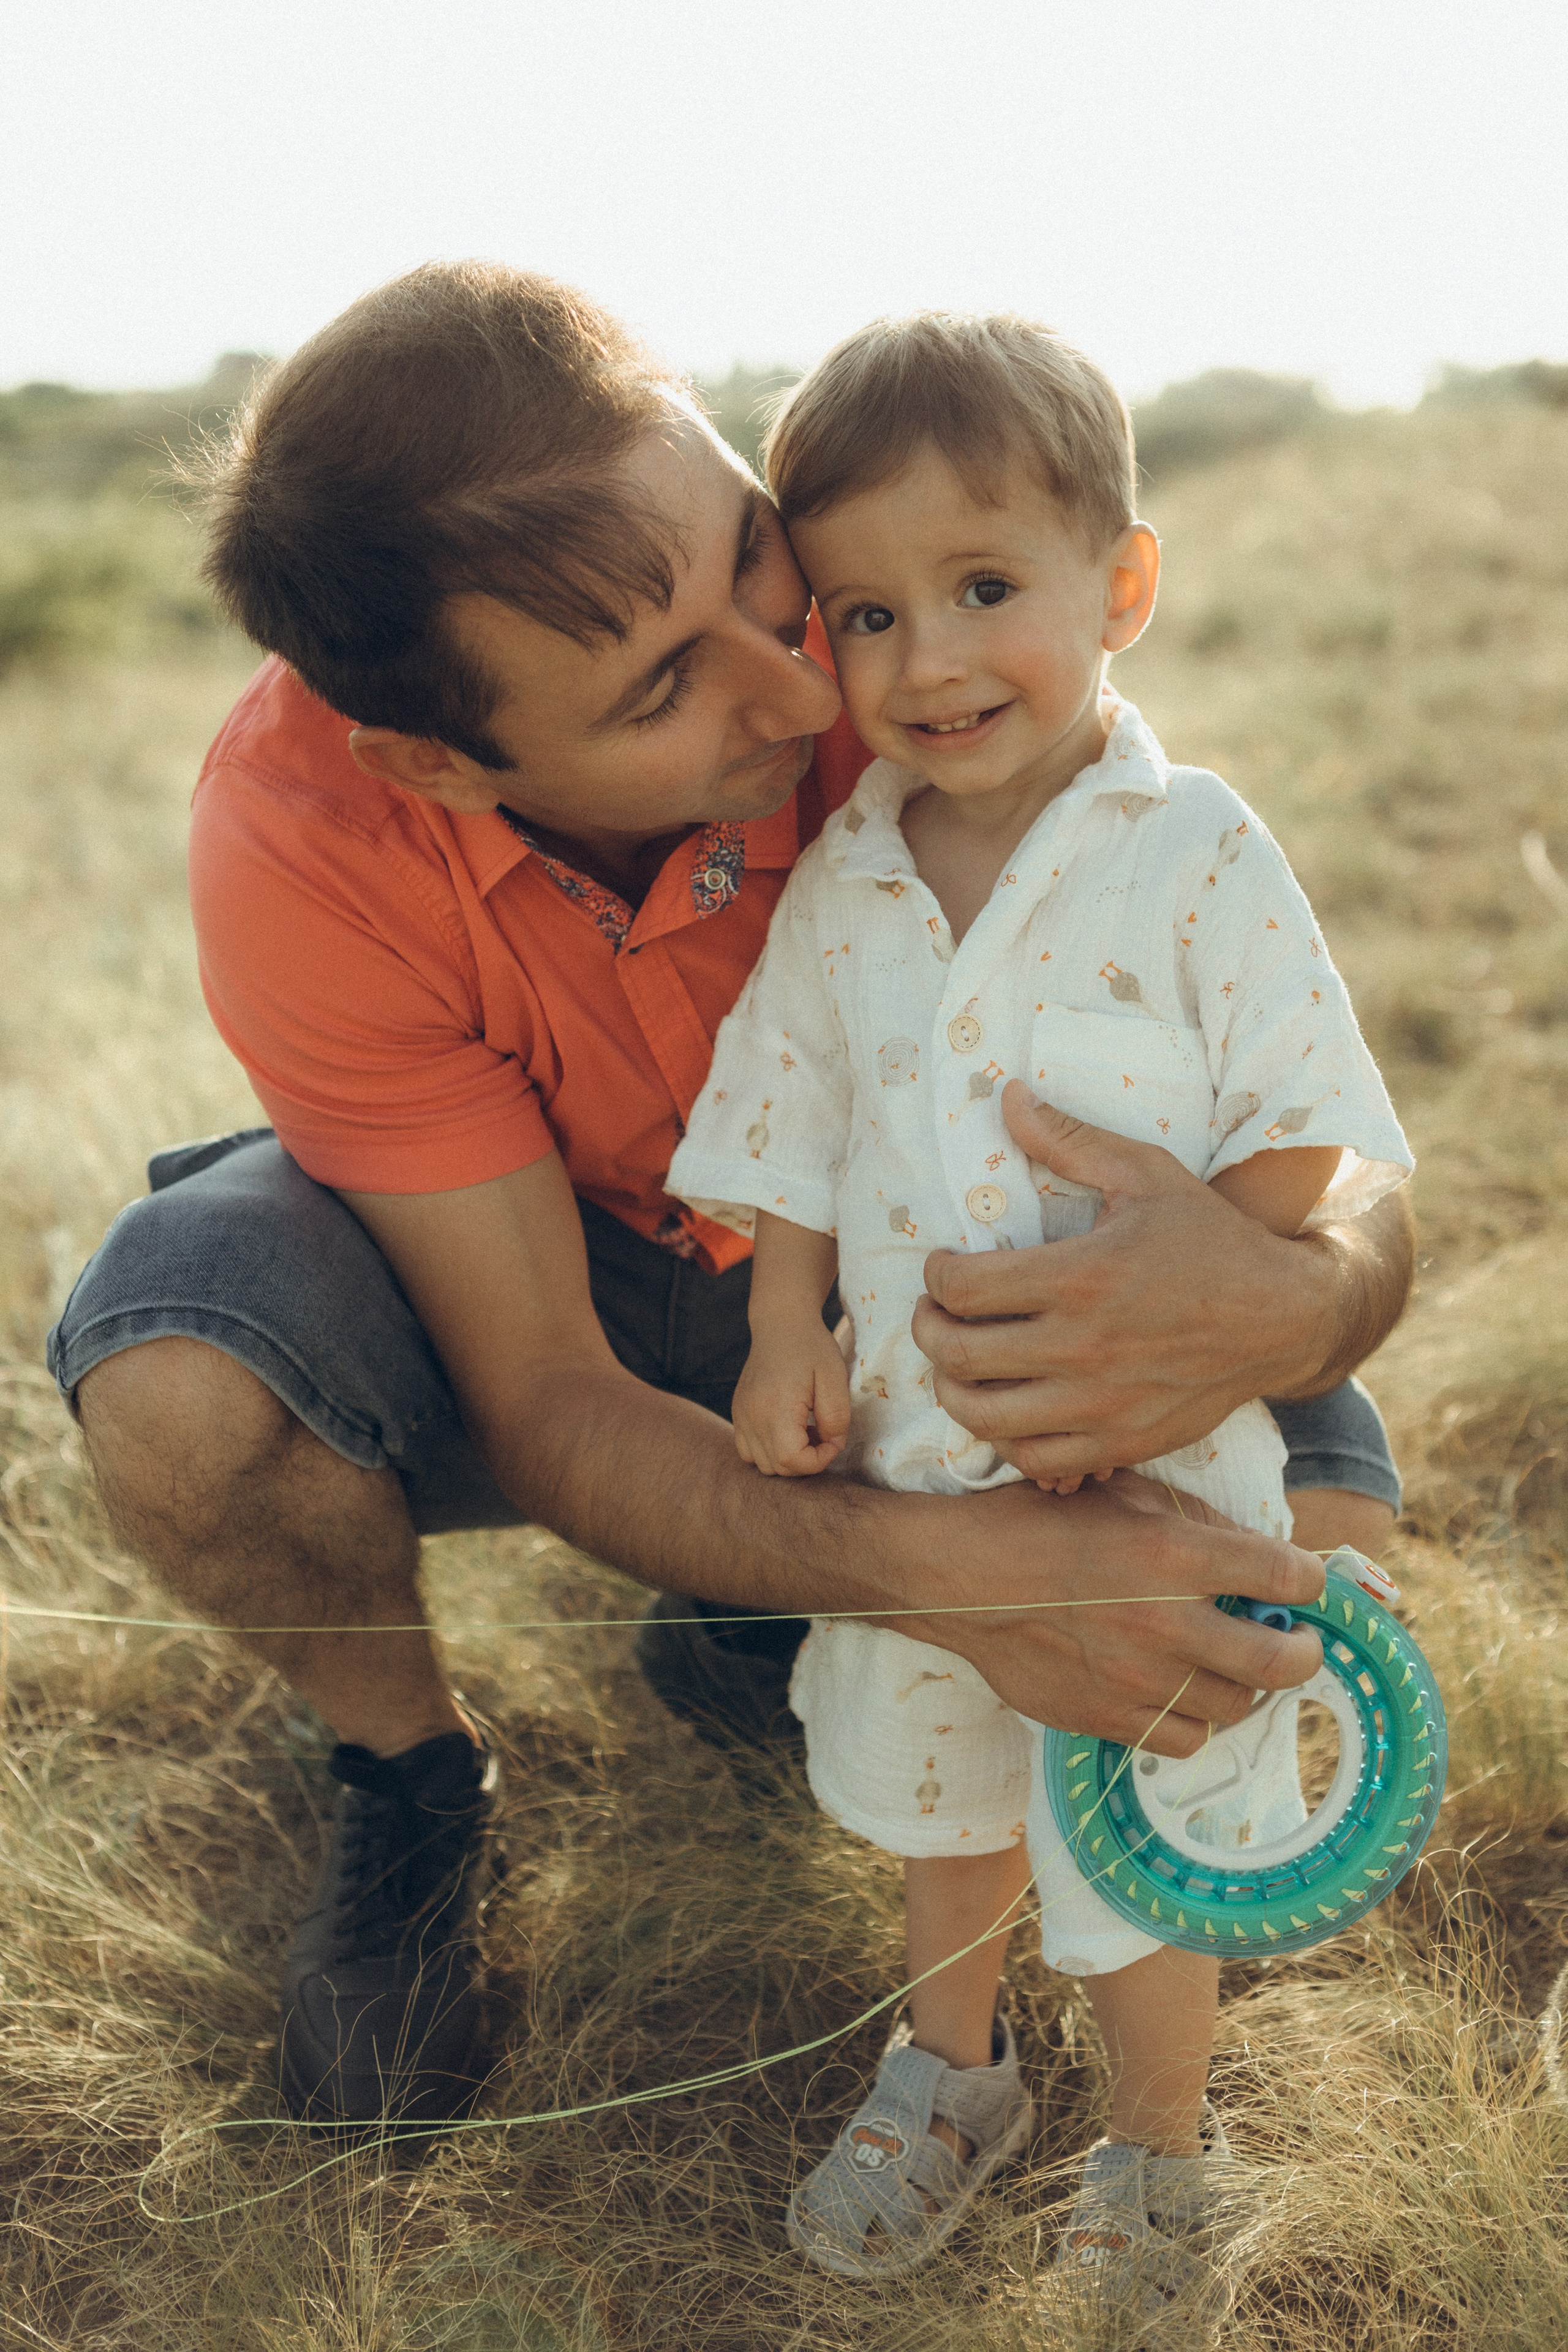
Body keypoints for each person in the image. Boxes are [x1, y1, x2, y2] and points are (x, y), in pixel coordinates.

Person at [46, 264, 1410, 2135]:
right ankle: (409, 1789)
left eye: (753, 571)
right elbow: (542, 1392)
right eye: (667, 684)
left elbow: (1322, 1122)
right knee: (181, 1371)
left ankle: (760, 1613)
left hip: (963, 1246)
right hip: (585, 1275)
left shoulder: (896, 621)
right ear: (438, 763)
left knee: (1308, 1540)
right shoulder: (300, 833)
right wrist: (970, 1581)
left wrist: (1306, 1297)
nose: (813, 684)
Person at [667, 311, 1412, 2297]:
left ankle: (1160, 2158)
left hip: (1163, 1461)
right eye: (867, 615)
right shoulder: (849, 876)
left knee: (1142, 1827)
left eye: (985, 590)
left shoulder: (1194, 854)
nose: (926, 662)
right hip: (919, 1474)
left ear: (1125, 586)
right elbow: (798, 1109)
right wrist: (782, 1328)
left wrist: (1200, 1299)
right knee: (951, 1796)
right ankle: (951, 2065)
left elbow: (1302, 1121)